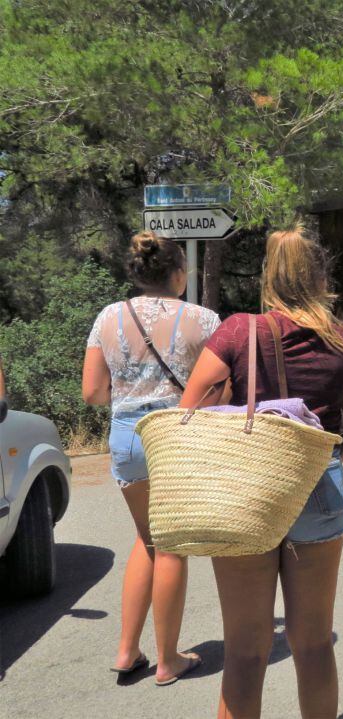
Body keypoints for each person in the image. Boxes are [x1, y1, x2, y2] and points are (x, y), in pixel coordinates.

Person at [180, 224, 343, 719]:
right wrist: (311, 462)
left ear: (269, 275)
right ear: (320, 276)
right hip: (318, 484)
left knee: (245, 651)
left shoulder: (237, 331)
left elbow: (190, 411)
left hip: (245, 492)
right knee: (313, 643)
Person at [82, 231, 219, 685]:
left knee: (146, 539)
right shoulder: (203, 319)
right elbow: (222, 389)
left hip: (126, 436)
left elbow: (93, 393)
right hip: (174, 438)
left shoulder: (108, 316)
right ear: (179, 274)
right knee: (172, 545)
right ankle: (167, 660)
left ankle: (126, 651)